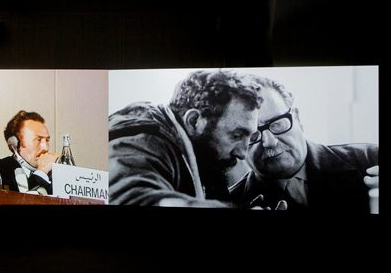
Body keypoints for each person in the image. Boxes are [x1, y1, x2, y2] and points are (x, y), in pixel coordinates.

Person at [108, 70, 261, 207]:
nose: (243, 153)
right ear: (194, 120)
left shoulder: (204, 157)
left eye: (251, 137)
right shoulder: (143, 141)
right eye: (237, 135)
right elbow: (130, 198)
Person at [231, 75, 379, 212]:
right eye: (251, 134)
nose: (269, 142)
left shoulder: (371, 159)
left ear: (297, 118)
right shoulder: (230, 203)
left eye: (277, 124)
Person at [0, 110, 58, 193]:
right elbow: (16, 199)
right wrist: (42, 171)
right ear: (15, 143)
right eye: (38, 139)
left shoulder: (54, 173)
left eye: (47, 140)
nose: (45, 147)